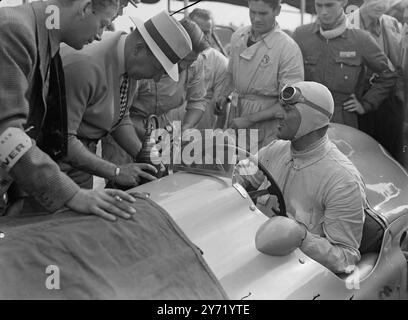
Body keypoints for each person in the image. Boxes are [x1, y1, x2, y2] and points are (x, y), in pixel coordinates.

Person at [0, 0, 141, 222]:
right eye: (102, 24)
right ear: (85, 7)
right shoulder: (14, 30)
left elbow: (29, 126)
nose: (99, 36)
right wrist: (71, 193)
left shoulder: (43, 39)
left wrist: (18, 194)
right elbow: (6, 133)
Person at [239, 81, 367, 274]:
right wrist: (225, 171)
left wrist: (301, 237)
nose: (278, 114)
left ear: (311, 119)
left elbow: (346, 258)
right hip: (248, 253)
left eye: (288, 109)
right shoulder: (275, 150)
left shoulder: (343, 180)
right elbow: (241, 178)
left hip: (296, 277)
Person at [59, 11, 193, 189]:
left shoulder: (128, 62)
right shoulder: (86, 65)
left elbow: (119, 117)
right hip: (52, 163)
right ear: (139, 49)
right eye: (158, 68)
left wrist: (146, 156)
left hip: (81, 160)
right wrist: (115, 171)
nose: (157, 78)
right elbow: (62, 140)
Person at [101, 18, 209, 167]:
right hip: (125, 131)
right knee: (126, 181)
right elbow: (119, 117)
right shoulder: (143, 64)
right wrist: (145, 153)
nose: (184, 66)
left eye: (190, 62)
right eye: (181, 60)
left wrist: (186, 127)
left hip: (161, 131)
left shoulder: (197, 64)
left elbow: (198, 101)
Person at [293, 0, 397, 130]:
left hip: (342, 119)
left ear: (343, 3)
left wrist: (366, 103)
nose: (323, 11)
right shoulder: (301, 35)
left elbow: (389, 73)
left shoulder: (360, 39)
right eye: (319, 5)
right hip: (305, 116)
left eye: (329, 5)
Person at [218, 0, 304, 151]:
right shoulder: (238, 37)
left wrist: (249, 119)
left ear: (277, 10)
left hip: (267, 127)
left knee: (259, 168)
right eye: (253, 12)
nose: (256, 19)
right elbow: (230, 74)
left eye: (263, 13)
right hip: (236, 116)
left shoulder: (287, 48)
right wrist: (221, 96)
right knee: (233, 164)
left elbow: (289, 103)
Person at [348, 0, 405, 163]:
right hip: (360, 99)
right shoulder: (346, 24)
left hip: (391, 99)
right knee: (365, 157)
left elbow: (397, 64)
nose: (382, 5)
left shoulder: (392, 23)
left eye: (386, 1)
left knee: (393, 158)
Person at [189, 10, 230, 130]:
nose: (204, 36)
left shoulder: (220, 62)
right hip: (168, 130)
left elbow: (222, 107)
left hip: (200, 133)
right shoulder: (172, 54)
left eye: (207, 32)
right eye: (199, 31)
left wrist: (218, 137)